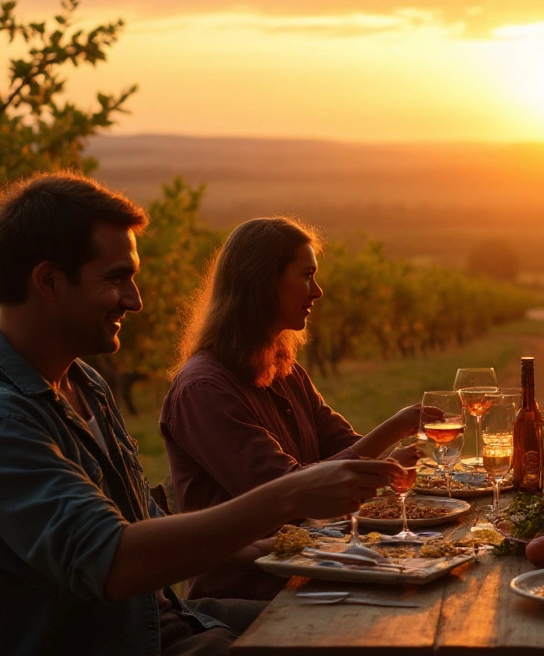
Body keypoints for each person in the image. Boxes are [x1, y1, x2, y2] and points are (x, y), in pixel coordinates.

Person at [0, 172, 405, 656]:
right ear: (49, 281)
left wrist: (261, 547)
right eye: (117, 278)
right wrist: (290, 496)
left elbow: (141, 519)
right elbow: (114, 562)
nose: (135, 300)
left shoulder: (85, 385)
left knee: (377, 637)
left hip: (162, 628)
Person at [159, 217, 424, 600]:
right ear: (263, 283)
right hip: (250, 593)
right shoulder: (203, 390)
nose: (317, 291)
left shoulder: (283, 369)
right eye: (307, 276)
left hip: (312, 569)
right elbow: (290, 491)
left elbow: (341, 443)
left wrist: (387, 463)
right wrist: (395, 427)